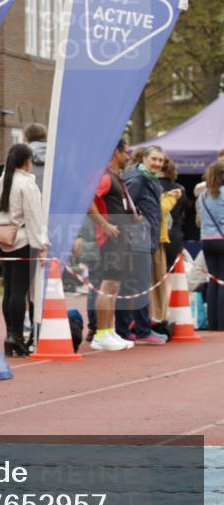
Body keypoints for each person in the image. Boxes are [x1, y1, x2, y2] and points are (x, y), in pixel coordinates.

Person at [0, 143, 48, 357]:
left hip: (3, 239)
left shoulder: (0, 182)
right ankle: (18, 337)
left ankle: (11, 335)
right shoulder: (27, 184)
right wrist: (41, 244)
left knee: (10, 290)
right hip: (22, 240)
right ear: (27, 162)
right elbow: (33, 215)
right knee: (21, 291)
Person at [121, 146, 178, 345]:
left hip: (146, 239)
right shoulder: (137, 180)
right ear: (144, 158)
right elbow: (125, 208)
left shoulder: (148, 179)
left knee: (135, 286)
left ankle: (131, 326)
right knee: (139, 286)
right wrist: (139, 222)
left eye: (161, 161)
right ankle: (142, 330)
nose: (157, 163)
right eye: (154, 159)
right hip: (138, 240)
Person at [87, 140, 135, 351]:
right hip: (110, 238)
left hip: (121, 236)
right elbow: (87, 201)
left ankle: (109, 331)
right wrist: (105, 225)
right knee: (107, 285)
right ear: (116, 152)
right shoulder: (105, 177)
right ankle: (100, 334)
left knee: (114, 287)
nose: (129, 157)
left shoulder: (117, 177)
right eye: (127, 152)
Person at [197, 160, 224, 331]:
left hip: (207, 241)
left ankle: (213, 322)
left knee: (214, 280)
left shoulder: (202, 196)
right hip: (222, 239)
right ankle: (222, 323)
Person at [23, 123, 47, 192]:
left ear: (26, 137)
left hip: (30, 195)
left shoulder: (23, 153)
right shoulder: (55, 152)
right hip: (52, 196)